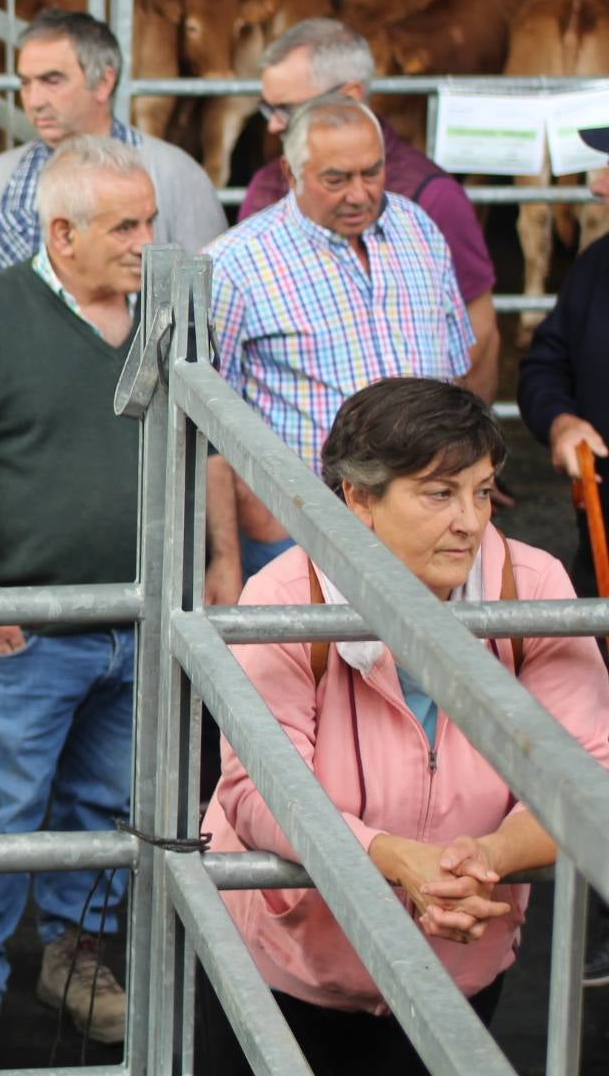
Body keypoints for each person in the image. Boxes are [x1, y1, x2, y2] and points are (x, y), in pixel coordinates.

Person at [196, 378, 609, 1072]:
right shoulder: (286, 598)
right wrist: (397, 861)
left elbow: (589, 766)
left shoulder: (534, 587)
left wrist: (485, 859)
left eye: (481, 490)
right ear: (359, 498)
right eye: (438, 493)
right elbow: (257, 790)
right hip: (292, 968)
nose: (471, 521)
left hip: (460, 955)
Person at [0, 137, 155, 1070]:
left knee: (109, 806)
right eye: (124, 227)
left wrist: (212, 561)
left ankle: (76, 959)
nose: (145, 243)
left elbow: (202, 442)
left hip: (137, 619)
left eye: (149, 223)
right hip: (32, 628)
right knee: (1, 812)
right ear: (63, 233)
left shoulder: (163, 310)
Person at [206, 95, 476, 580]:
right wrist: (230, 551)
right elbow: (205, 427)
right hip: (302, 528)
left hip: (427, 524)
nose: (359, 194)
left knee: (430, 655)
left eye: (372, 173)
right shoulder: (235, 265)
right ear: (290, 173)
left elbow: (454, 377)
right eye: (336, 179)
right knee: (312, 657)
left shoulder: (420, 231)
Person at [239, 18, 500, 401]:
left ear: (351, 95)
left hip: (410, 442)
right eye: (268, 109)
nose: (275, 126)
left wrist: (458, 447)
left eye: (287, 109)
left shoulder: (430, 199)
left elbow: (479, 338)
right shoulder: (265, 186)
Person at [0, 7, 225, 292]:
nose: (34, 100)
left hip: (128, 339)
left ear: (103, 83)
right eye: (25, 83)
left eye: (52, 81)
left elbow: (209, 295)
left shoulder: (174, 174)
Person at [515, 125, 609, 988]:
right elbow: (542, 360)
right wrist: (561, 419)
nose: (596, 180)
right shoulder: (597, 266)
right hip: (605, 540)